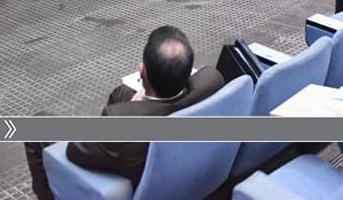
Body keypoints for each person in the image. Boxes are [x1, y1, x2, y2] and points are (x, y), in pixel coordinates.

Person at [24, 26, 224, 200]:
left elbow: (74, 150)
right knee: (122, 92)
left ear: (142, 72)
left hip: (135, 174)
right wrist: (134, 108)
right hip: (178, 170)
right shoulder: (213, 82)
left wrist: (129, 114)